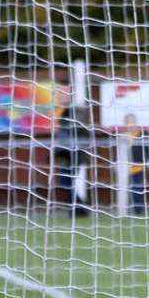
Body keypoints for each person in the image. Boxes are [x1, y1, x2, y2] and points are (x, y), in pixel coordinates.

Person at [52, 84, 93, 216]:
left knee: (67, 182)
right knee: (67, 182)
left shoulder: (74, 116)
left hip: (73, 156)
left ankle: (79, 208)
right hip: (68, 156)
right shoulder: (66, 115)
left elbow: (75, 137)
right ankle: (78, 208)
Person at [123, 113, 147, 215]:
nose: (131, 124)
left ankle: (138, 210)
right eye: (129, 122)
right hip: (125, 168)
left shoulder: (141, 135)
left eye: (132, 121)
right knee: (127, 189)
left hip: (138, 167)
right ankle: (128, 209)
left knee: (137, 188)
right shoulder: (124, 136)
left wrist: (148, 161)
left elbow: (146, 150)